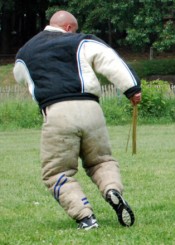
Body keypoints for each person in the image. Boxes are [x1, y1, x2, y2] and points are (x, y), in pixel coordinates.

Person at [13, 10, 141, 230]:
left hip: (57, 112)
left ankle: (86, 216)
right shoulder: (82, 41)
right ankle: (112, 190)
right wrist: (132, 89)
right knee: (101, 161)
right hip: (91, 110)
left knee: (56, 173)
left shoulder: (26, 51)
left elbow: (19, 75)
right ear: (70, 28)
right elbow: (109, 60)